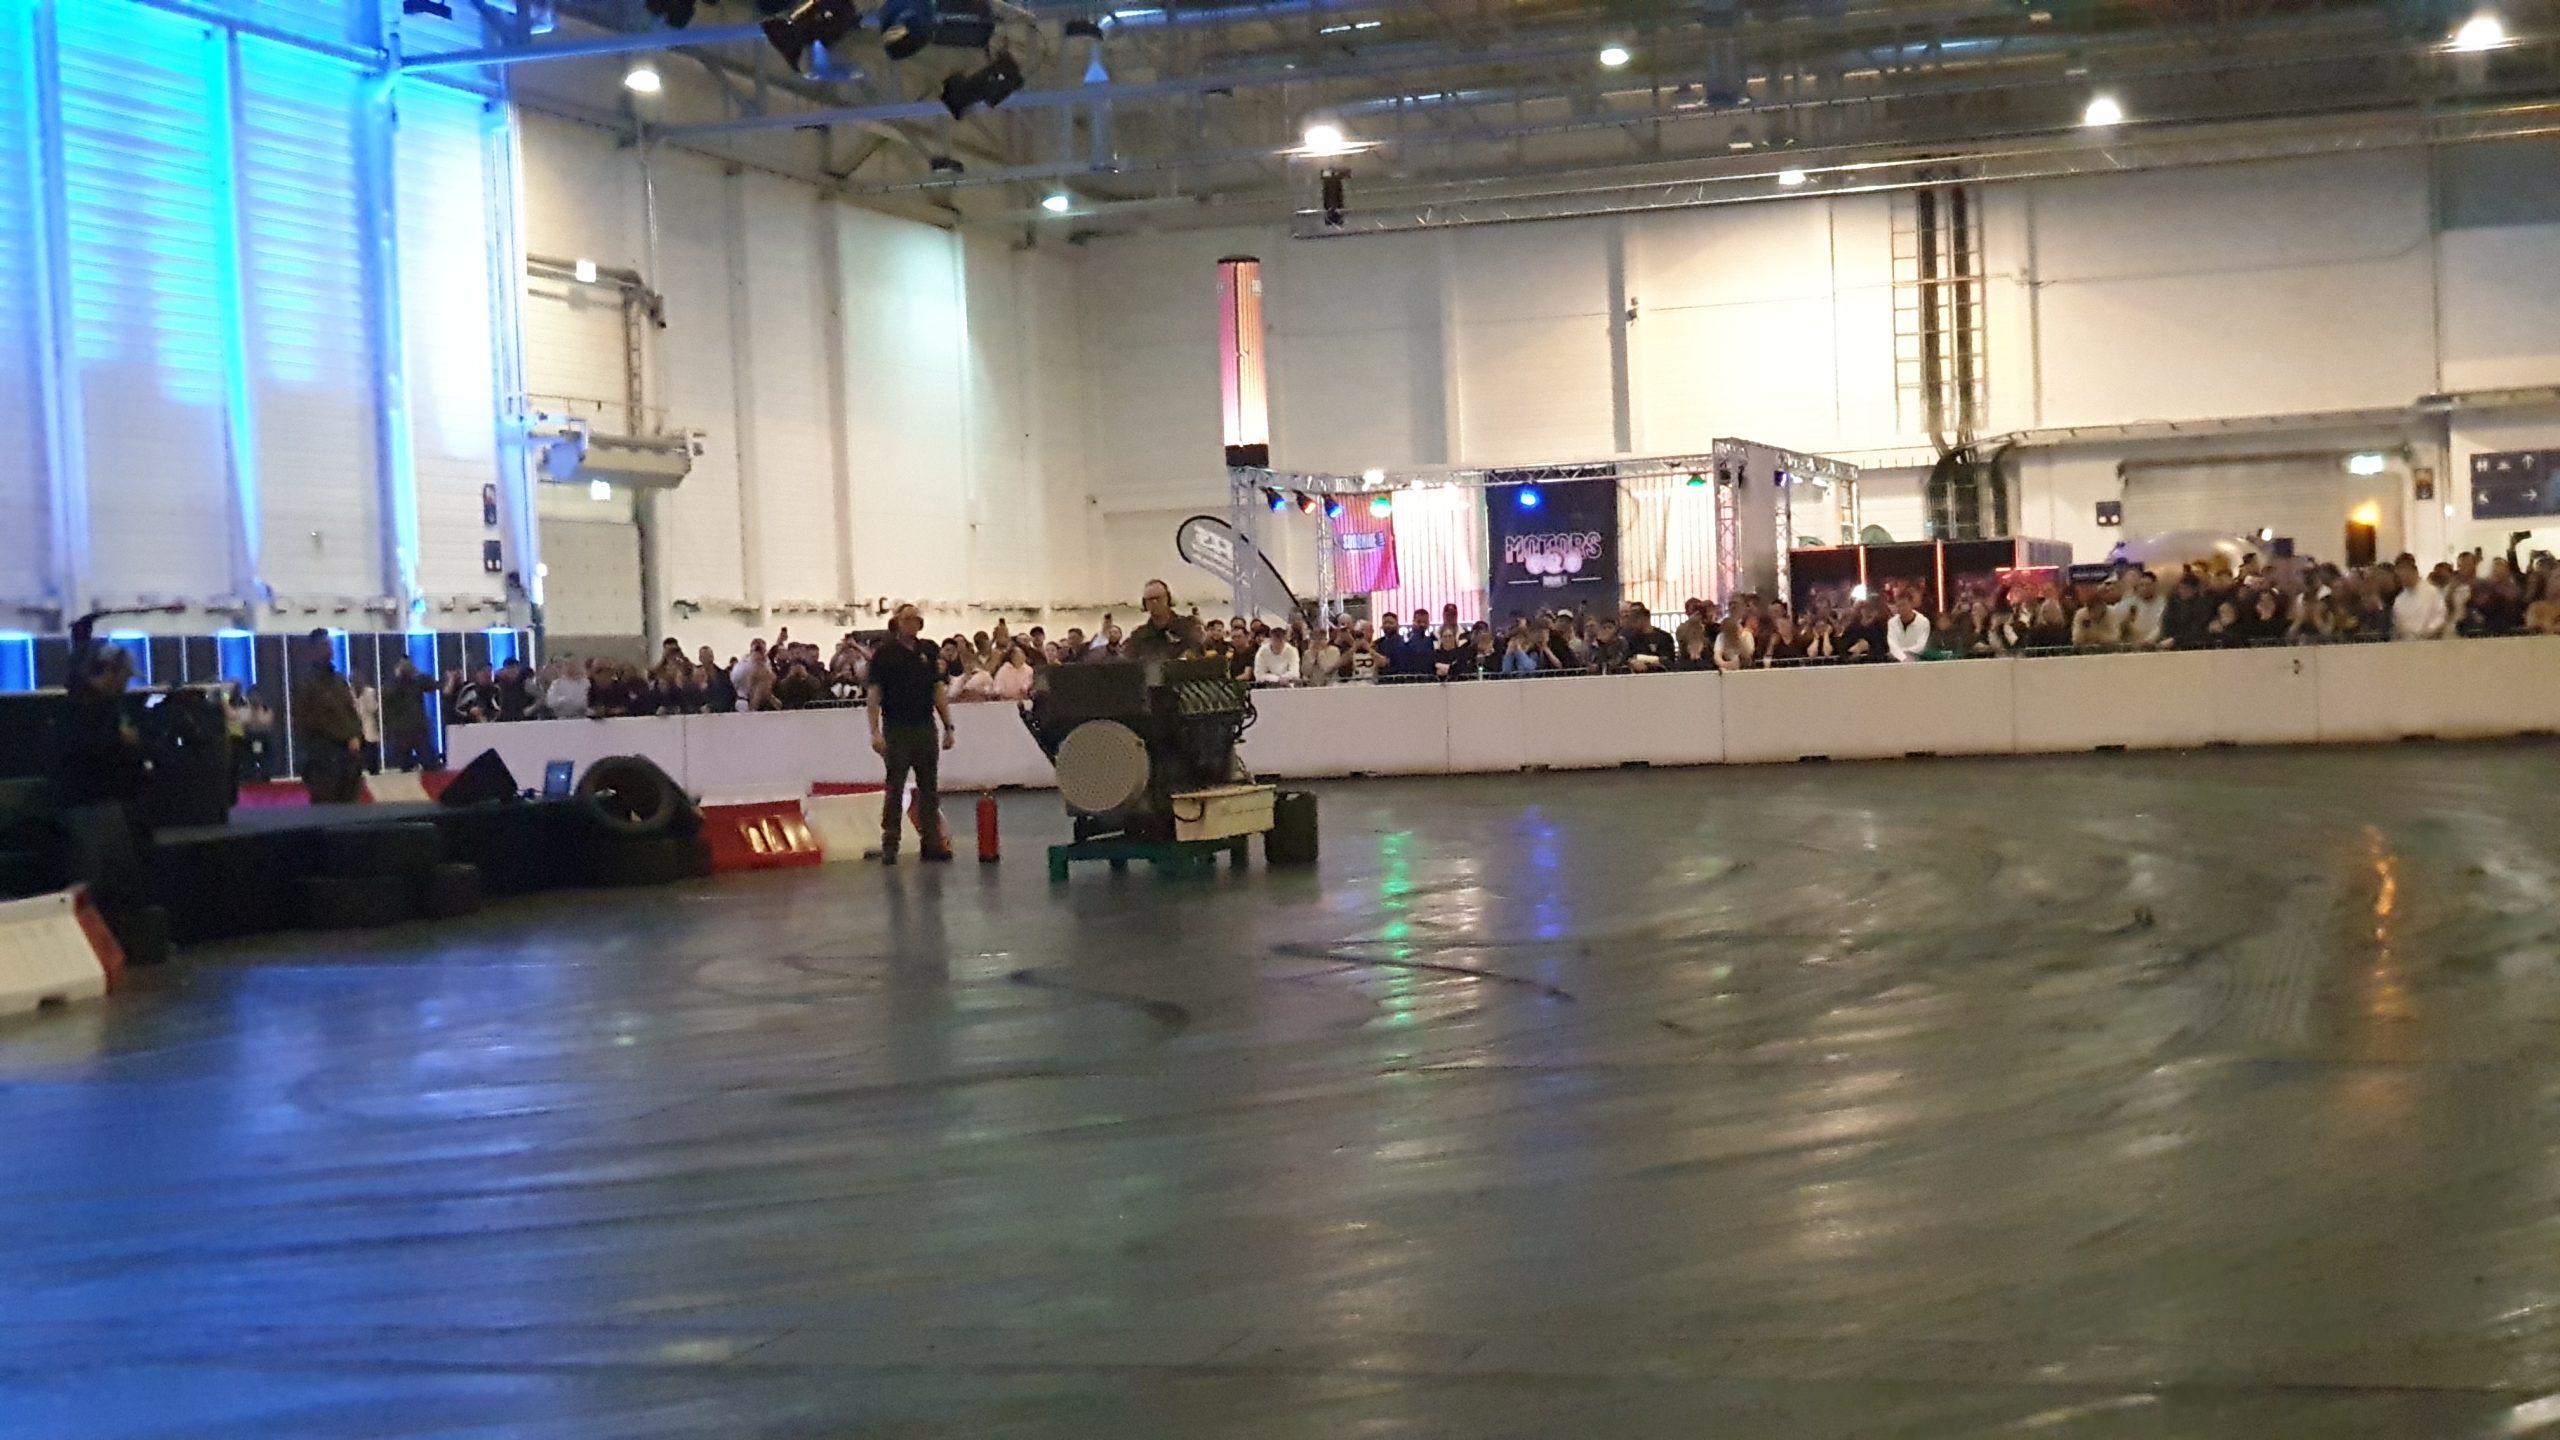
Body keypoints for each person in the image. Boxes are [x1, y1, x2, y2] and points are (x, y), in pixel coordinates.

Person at [867, 603, 954, 864]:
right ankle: (890, 843)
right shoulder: (884, 654)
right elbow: (874, 693)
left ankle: (932, 842)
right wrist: (875, 731)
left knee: (929, 786)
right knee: (895, 786)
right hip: (896, 727)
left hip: (925, 724)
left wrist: (948, 726)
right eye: (906, 619)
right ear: (897, 622)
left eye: (915, 619)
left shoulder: (928, 650)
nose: (911, 624)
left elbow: (937, 689)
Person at [292, 630, 365, 804]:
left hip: (347, 759)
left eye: (330, 645)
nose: (330, 650)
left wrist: (355, 736)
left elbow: (351, 712)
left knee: (351, 807)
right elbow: (308, 721)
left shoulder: (339, 681)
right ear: (313, 650)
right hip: (322, 758)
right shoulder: (306, 684)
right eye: (324, 645)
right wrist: (343, 735)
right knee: (326, 806)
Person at [1125, 579, 1205, 660]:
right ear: (1144, 603)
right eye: (1150, 599)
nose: (1154, 602)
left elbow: (1198, 656)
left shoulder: (1188, 627)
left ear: (1168, 598)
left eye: (1158, 598)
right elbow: (1129, 662)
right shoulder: (1138, 636)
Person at [380, 657, 434, 772]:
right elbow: (432, 684)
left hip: (403, 729)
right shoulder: (416, 682)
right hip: (414, 727)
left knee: (407, 764)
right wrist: (417, 672)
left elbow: (386, 702)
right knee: (426, 761)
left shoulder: (392, 685)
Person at [2390, 557, 2448, 639]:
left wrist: (2429, 631)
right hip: (2408, 642)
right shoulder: (2399, 600)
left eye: (2406, 574)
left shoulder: (2432, 591)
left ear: (2415, 572)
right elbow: (2398, 622)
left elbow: (2440, 615)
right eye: (2401, 576)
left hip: (2430, 640)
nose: (2404, 578)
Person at [1620, 603, 1677, 672]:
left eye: (1636, 618)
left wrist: (1651, 661)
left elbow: (1669, 660)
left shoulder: (1664, 637)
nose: (1632, 622)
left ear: (1645, 618)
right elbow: (1625, 658)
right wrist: (1632, 662)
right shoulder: (1629, 638)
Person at [1885, 594, 1931, 662]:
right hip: (1896, 658)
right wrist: (1903, 658)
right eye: (1899, 605)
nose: (1901, 608)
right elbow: (1892, 644)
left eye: (1904, 605)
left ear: (1911, 604)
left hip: (1917, 658)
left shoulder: (1923, 621)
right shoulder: (1892, 622)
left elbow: (1921, 645)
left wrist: (1906, 653)